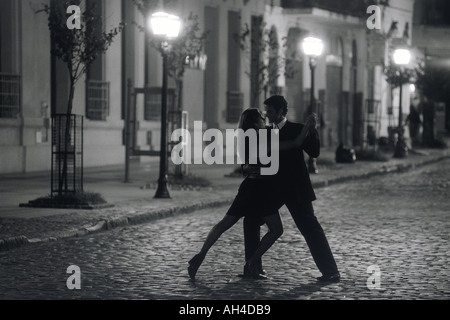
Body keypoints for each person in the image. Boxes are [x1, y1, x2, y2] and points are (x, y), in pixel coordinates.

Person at [188, 108, 315, 281]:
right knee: (276, 230)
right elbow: (294, 143)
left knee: (224, 223)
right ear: (257, 122)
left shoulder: (244, 138)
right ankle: (251, 263)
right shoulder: (263, 139)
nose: (266, 120)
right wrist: (307, 126)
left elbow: (246, 167)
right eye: (263, 118)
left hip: (248, 187)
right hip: (261, 191)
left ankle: (200, 255)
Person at [243, 95, 340, 283]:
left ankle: (331, 271)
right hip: (272, 189)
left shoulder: (297, 129)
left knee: (310, 228)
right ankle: (253, 268)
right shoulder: (266, 132)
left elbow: (315, 152)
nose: (268, 115)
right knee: (251, 221)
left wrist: (313, 130)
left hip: (296, 189)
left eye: (271, 111)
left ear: (280, 112)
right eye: (267, 112)